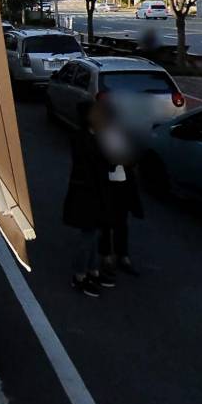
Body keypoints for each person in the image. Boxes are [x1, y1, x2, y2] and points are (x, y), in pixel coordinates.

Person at [62, 101, 117, 297]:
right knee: (88, 235)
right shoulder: (82, 139)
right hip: (86, 194)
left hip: (99, 193)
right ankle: (79, 276)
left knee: (95, 234)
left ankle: (92, 271)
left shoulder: (97, 137)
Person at [97, 112, 143, 278]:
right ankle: (107, 257)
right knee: (106, 223)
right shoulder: (99, 137)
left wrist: (125, 159)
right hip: (107, 186)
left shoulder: (124, 135)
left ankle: (122, 255)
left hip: (123, 185)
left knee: (121, 223)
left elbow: (133, 157)